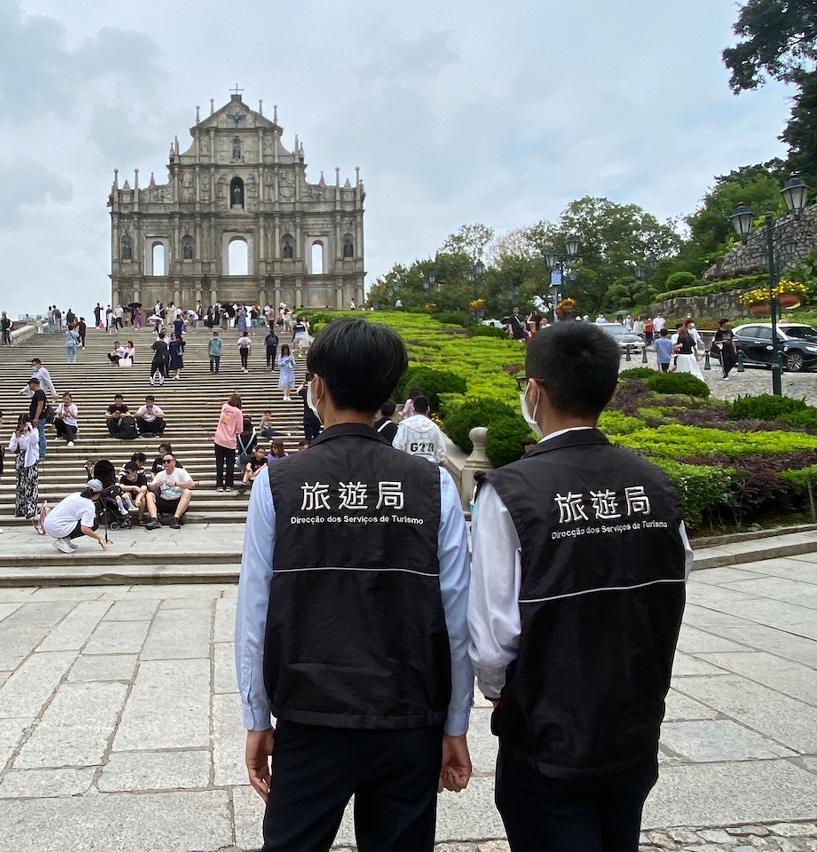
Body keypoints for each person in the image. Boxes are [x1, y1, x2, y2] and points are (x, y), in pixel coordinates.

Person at [234, 316, 473, 851]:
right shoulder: (433, 484)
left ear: (317, 386)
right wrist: (455, 723)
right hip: (408, 717)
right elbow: (456, 615)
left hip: (309, 717)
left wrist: (256, 716)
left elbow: (255, 612)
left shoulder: (278, 482)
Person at [469, 322, 693, 852]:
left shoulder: (509, 493)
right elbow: (675, 578)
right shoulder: (656, 484)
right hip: (634, 725)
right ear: (611, 392)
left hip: (546, 732)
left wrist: (504, 698)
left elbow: (494, 640)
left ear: (533, 390)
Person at [44, 479, 108, 552]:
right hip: (57, 528)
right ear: (97, 494)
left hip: (48, 523)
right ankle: (64, 540)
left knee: (85, 521)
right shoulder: (89, 506)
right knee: (94, 524)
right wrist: (99, 538)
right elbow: (85, 529)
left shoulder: (76, 494)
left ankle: (65, 539)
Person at [144, 451, 195, 529]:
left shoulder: (180, 472)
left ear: (174, 462)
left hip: (176, 501)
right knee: (149, 495)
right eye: (164, 461)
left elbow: (192, 484)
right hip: (163, 501)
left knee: (187, 492)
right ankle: (154, 519)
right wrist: (155, 485)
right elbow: (150, 488)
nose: (166, 463)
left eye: (168, 461)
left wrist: (175, 483)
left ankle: (175, 519)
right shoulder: (160, 474)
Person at [393, 395, 447, 465]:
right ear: (428, 409)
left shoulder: (404, 425)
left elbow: (397, 447)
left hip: (410, 466)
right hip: (430, 467)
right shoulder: (434, 427)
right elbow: (441, 452)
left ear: (413, 409)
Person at [9, 413, 41, 519]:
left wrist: (30, 429)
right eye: (20, 423)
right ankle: (21, 508)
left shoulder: (34, 431)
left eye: (24, 423)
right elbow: (12, 447)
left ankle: (31, 508)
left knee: (31, 484)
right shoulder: (16, 433)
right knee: (21, 484)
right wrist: (16, 438)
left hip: (31, 459)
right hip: (21, 459)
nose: (22, 426)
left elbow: (35, 440)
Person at [214, 393, 243, 492]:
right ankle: (229, 485)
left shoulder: (224, 407)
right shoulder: (238, 412)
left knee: (219, 463)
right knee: (230, 464)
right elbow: (240, 429)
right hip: (230, 442)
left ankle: (219, 484)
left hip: (219, 439)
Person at [27, 377, 49, 460]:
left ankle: (41, 453)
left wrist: (36, 417)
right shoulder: (37, 393)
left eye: (30, 384)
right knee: (37, 435)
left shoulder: (40, 393)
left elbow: (40, 405)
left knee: (40, 435)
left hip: (39, 418)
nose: (29, 386)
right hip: (37, 418)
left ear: (34, 384)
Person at [296, 373, 322, 443]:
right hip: (316, 417)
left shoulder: (305, 392)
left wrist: (303, 383)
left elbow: (298, 391)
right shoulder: (318, 392)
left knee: (308, 439)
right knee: (316, 437)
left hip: (307, 418)